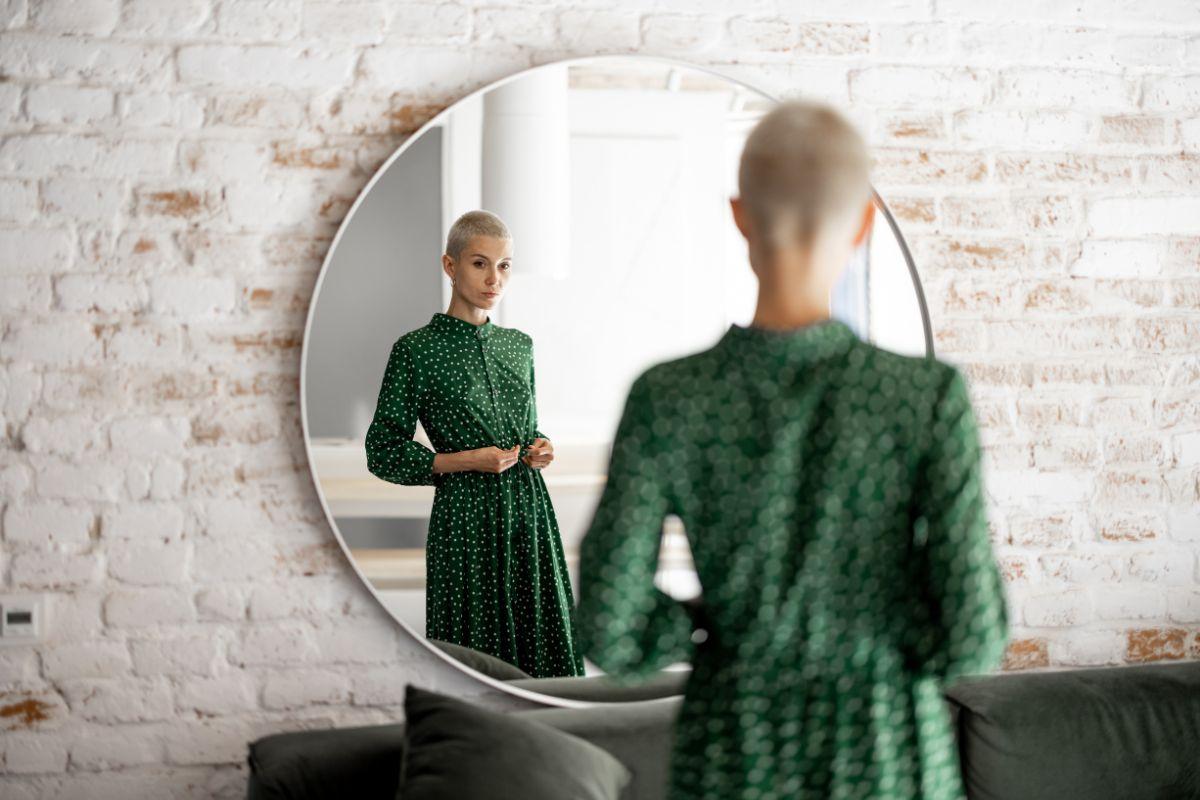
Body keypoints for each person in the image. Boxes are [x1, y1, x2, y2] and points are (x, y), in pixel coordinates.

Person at [575, 99, 1010, 798]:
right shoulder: (924, 396)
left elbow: (610, 624)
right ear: (865, 223)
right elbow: (972, 634)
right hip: (885, 742)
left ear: (740, 215)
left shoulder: (670, 397)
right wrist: (882, 637)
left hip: (733, 746)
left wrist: (704, 627)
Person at [365, 210, 585, 679]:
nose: (494, 278)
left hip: (529, 513)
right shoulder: (416, 350)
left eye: (504, 266)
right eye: (480, 264)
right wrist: (464, 461)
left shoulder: (519, 345)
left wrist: (541, 447)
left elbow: (530, 428)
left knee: (543, 648)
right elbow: (381, 449)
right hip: (465, 519)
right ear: (450, 266)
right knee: (474, 656)